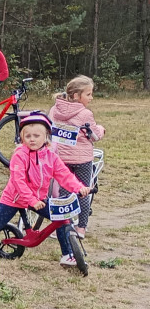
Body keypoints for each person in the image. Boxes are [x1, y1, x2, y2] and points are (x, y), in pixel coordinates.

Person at [0, 111, 90, 268]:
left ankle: (67, 255)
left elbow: (64, 174)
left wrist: (79, 188)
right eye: (28, 136)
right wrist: (31, 200)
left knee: (62, 217)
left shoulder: (50, 156)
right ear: (22, 137)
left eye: (37, 136)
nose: (32, 139)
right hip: (15, 198)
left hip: (39, 199)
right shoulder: (20, 155)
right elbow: (18, 181)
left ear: (46, 137)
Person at [48, 76, 104, 239]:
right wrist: (101, 129)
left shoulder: (54, 110)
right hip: (82, 160)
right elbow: (93, 136)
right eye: (88, 94)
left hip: (61, 159)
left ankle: (65, 225)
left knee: (64, 193)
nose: (91, 98)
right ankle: (81, 227)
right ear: (76, 96)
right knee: (82, 191)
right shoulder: (86, 113)